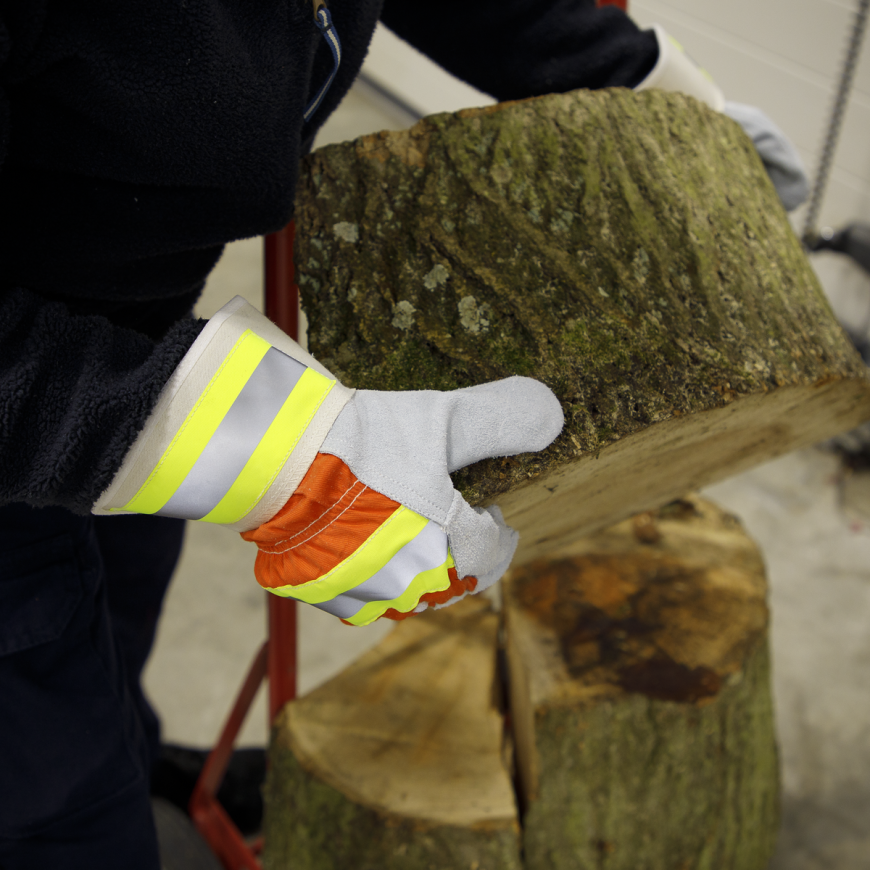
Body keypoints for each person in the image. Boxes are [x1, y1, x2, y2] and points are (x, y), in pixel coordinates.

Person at [0, 2, 807, 867]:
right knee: (63, 810)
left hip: (130, 336)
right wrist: (256, 450)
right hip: (31, 405)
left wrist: (647, 84)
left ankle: (130, 750)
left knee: (112, 627)